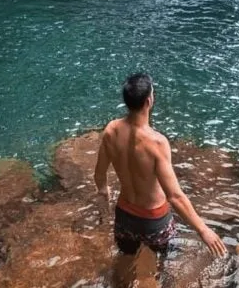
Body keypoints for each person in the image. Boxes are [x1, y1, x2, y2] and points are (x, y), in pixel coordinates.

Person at [94, 72, 227, 258]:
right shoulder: (157, 143)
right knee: (168, 268)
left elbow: (99, 174)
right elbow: (175, 196)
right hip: (154, 221)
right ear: (149, 101)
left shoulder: (111, 131)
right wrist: (203, 230)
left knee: (125, 261)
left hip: (124, 215)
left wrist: (103, 192)